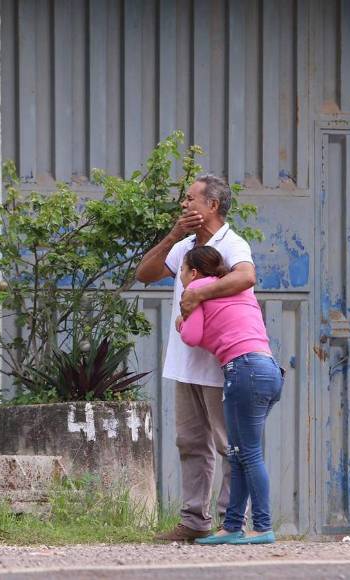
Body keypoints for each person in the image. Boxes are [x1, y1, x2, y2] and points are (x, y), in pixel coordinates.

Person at [136, 174, 255, 542]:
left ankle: (231, 523)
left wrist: (198, 295)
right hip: (184, 362)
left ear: (212, 206)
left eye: (191, 199)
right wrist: (172, 235)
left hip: (218, 362)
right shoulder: (185, 245)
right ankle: (194, 520)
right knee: (190, 442)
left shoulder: (232, 244)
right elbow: (145, 273)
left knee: (227, 445)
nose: (184, 205)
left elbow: (246, 277)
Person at [176, 246, 283, 545]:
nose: (182, 278)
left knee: (248, 453)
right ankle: (232, 526)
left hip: (244, 370)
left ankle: (262, 526)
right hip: (268, 370)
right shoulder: (238, 291)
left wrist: (181, 323)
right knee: (237, 453)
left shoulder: (197, 288)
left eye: (182, 271)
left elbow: (192, 336)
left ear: (194, 272)